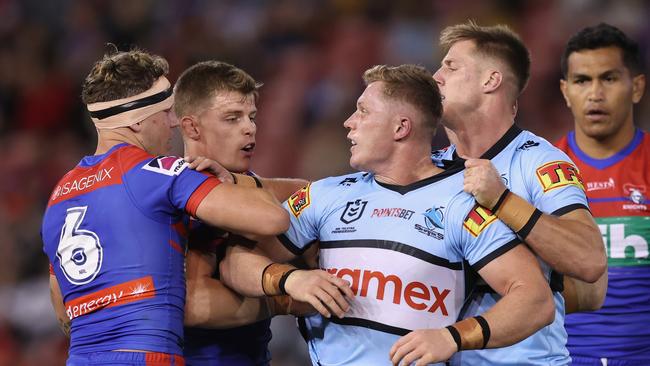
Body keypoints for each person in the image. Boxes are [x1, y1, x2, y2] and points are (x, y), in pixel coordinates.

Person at [219, 64, 555, 365]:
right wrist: (289, 279)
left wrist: (453, 337)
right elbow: (234, 260)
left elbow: (535, 300)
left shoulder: (461, 204)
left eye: (363, 111)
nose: (349, 123)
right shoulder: (327, 195)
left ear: (401, 128)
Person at [41, 48, 291, 366]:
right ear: (135, 121)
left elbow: (64, 310)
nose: (174, 123)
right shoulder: (159, 173)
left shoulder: (59, 196)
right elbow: (272, 219)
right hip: (149, 356)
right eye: (166, 111)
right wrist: (285, 299)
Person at [430, 21, 607, 365]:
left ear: (491, 80)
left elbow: (589, 261)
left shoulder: (538, 161)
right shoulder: (430, 167)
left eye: (451, 66)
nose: (436, 76)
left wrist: (502, 201)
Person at [174, 60, 310, 365]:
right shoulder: (176, 198)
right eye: (232, 118)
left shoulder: (243, 186)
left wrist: (237, 182)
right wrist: (287, 296)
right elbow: (193, 304)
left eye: (252, 116)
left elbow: (313, 195)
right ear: (192, 127)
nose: (249, 127)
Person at [556, 23, 649, 365]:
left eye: (609, 78)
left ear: (636, 87)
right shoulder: (537, 172)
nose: (595, 93)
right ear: (566, 91)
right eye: (582, 81)